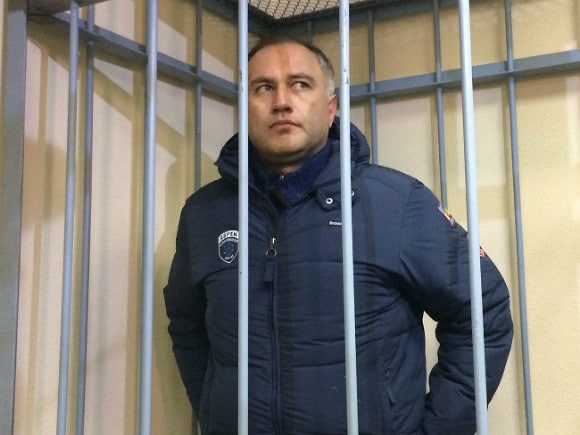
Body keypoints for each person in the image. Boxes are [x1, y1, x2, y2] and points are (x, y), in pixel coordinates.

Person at [163, 35, 513, 435]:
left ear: (330, 108)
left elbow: (484, 310)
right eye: (263, 87)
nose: (281, 101)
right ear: (245, 108)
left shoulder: (396, 202)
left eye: (300, 84)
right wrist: (214, 413)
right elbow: (186, 323)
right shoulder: (203, 213)